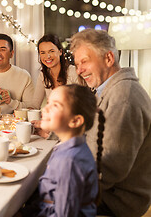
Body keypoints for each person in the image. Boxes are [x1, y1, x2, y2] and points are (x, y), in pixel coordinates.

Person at [71, 29, 151, 217]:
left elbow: (107, 169)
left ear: (108, 58)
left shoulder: (123, 97)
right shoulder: (109, 90)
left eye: (84, 61)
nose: (79, 70)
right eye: (76, 64)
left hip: (114, 202)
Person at [22, 84, 104, 216]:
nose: (45, 109)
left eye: (55, 105)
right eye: (48, 103)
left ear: (75, 121)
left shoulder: (69, 161)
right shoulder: (67, 148)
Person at [33, 34, 80, 109]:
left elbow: (82, 104)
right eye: (43, 53)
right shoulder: (43, 75)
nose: (47, 56)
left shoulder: (73, 72)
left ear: (60, 52)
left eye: (51, 51)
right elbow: (35, 104)